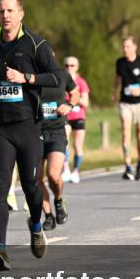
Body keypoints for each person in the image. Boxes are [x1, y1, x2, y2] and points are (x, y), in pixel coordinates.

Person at [0, 0, 60, 270]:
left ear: (21, 14)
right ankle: (0, 249)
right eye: (1, 11)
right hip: (0, 128)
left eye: (11, 11)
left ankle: (36, 225)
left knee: (31, 186)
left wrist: (26, 78)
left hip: (28, 126)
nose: (6, 16)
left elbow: (57, 77)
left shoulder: (36, 44)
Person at [37, 56, 79, 230]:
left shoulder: (62, 74)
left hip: (56, 131)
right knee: (35, 180)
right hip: (34, 132)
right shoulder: (30, 77)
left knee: (53, 175)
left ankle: (59, 200)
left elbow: (76, 93)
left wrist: (69, 105)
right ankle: (48, 215)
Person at [114, 37, 140, 182]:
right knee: (125, 133)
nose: (125, 49)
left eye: (127, 46)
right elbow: (117, 78)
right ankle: (127, 165)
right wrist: (114, 92)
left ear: (134, 47)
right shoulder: (120, 62)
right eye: (123, 47)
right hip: (125, 102)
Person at [64, 56, 90, 184]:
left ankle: (75, 171)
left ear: (77, 67)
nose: (69, 68)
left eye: (72, 65)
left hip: (78, 116)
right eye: (67, 65)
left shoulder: (81, 82)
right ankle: (66, 169)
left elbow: (86, 103)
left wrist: (75, 97)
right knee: (64, 142)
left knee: (78, 145)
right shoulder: (61, 80)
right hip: (65, 117)